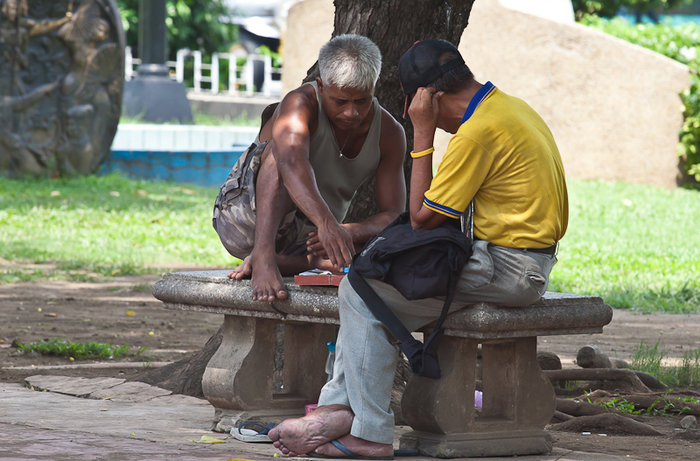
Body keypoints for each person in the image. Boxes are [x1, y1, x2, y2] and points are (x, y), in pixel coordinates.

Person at [268, 38, 568, 458]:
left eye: (414, 106)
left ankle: (366, 432)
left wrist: (422, 133)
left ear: (428, 98)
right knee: (368, 285)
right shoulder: (510, 108)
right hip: (522, 262)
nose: (412, 113)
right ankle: (338, 409)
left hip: (511, 269)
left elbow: (423, 215)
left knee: (361, 292)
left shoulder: (477, 133)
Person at [213, 34, 406, 302]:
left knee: (385, 245)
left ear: (374, 89)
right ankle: (264, 256)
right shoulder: (299, 105)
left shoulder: (390, 133)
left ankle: (286, 261)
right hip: (244, 219)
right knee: (281, 151)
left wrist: (349, 230)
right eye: (340, 102)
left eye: (361, 101)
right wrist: (327, 222)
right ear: (321, 85)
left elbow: (393, 213)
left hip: (307, 235)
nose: (351, 113)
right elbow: (291, 163)